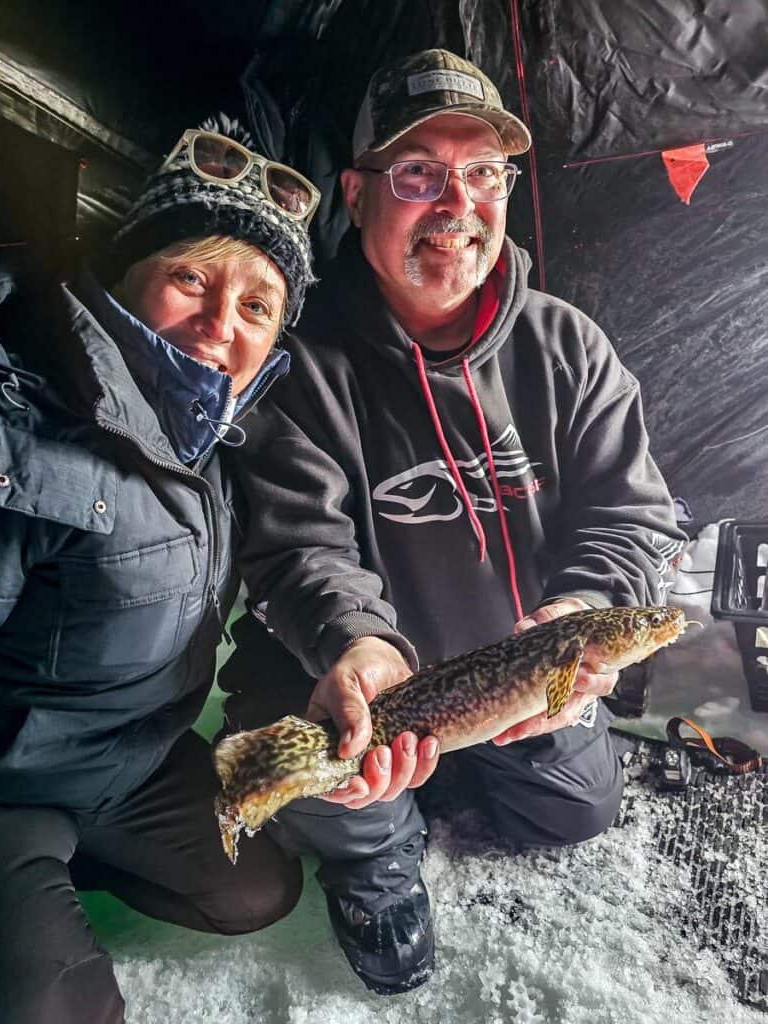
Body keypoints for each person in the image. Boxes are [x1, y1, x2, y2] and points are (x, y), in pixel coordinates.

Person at [218, 50, 685, 996]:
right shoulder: (298, 361)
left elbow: (630, 514)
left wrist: (588, 606)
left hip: (509, 662)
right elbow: (297, 547)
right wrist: (354, 646)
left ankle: (448, 775)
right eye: (418, 174)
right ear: (355, 195)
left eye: (482, 174)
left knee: (576, 809)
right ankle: (371, 851)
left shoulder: (567, 344)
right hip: (348, 672)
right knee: (338, 787)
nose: (455, 204)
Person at [0, 114, 319, 1024]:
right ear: (125, 280)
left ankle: (47, 875)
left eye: (256, 306)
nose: (217, 324)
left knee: (255, 891)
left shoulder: (220, 444)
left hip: (129, 766)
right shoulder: (15, 427)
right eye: (190, 278)